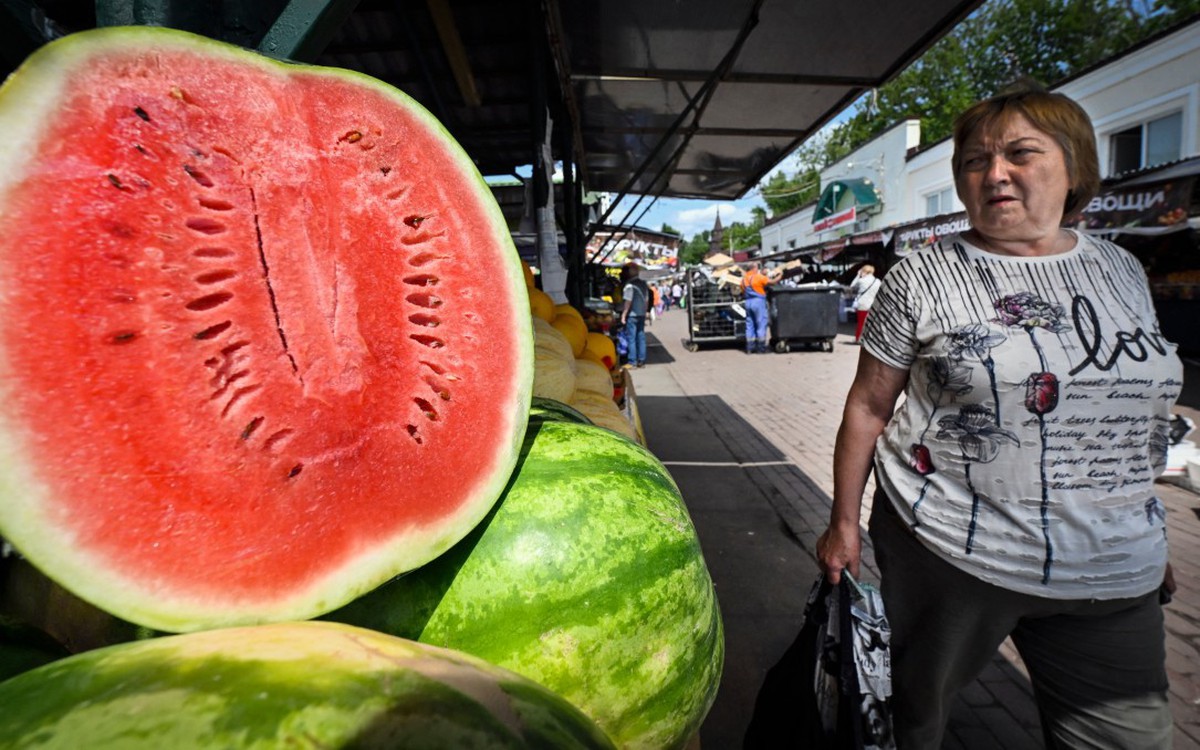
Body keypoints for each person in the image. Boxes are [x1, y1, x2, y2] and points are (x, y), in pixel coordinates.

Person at [815, 84, 1181, 749]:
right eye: (975, 162)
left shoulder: (1123, 270)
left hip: (1112, 566)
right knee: (909, 722)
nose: (994, 174)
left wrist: (1143, 516)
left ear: (1075, 167)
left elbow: (1135, 410)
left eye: (1019, 153)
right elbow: (869, 406)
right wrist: (843, 524)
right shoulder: (922, 275)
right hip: (947, 549)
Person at [740, 261, 782, 354]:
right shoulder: (758, 277)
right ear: (754, 268)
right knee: (760, 324)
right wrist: (780, 275)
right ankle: (761, 348)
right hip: (758, 302)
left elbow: (743, 290)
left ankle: (749, 348)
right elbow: (772, 282)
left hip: (748, 302)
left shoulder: (743, 280)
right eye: (757, 267)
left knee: (749, 325)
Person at [620, 263, 651, 368]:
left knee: (631, 338)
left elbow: (628, 301)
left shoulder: (630, 285)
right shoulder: (643, 284)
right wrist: (645, 311)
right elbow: (646, 300)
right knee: (641, 336)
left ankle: (632, 361)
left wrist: (624, 314)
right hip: (641, 314)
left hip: (632, 315)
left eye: (628, 270)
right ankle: (641, 360)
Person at [847, 264, 880, 343]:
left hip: (863, 305)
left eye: (862, 271)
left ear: (864, 271)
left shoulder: (861, 280)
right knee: (872, 323)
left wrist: (858, 276)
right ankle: (871, 340)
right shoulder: (878, 281)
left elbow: (851, 287)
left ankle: (858, 339)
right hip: (873, 305)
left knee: (861, 323)